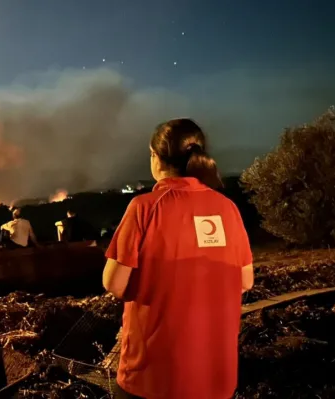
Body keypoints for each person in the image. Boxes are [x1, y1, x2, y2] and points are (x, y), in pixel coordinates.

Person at [102, 118, 254, 399]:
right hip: (216, 380)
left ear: (156, 157)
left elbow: (113, 283)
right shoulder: (228, 208)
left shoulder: (144, 207)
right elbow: (245, 280)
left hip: (151, 379)